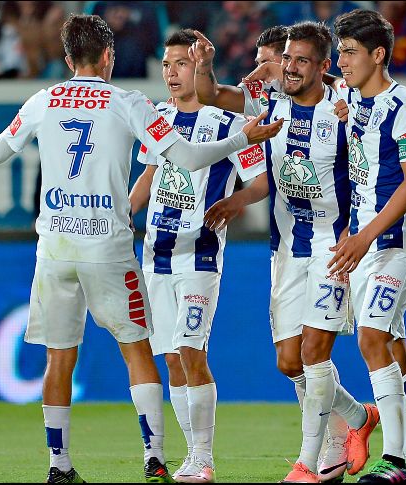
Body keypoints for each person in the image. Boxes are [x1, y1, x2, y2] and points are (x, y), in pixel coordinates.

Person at [0, 14, 282, 484]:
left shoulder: (44, 99)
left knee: (59, 356)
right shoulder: (128, 103)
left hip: (54, 247)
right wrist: (243, 138)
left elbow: (2, 147)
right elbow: (188, 157)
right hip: (107, 247)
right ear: (109, 57)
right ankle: (154, 458)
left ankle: (59, 465)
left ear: (68, 58)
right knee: (138, 351)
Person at [191, 22, 379, 483]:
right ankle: (358, 418)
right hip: (286, 251)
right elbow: (212, 94)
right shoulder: (268, 104)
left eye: (300, 60)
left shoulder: (345, 114)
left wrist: (361, 233)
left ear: (323, 66)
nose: (290, 68)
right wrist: (205, 65)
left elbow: (372, 171)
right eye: (287, 58)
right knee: (289, 361)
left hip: (332, 249)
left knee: (315, 354)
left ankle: (307, 464)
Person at [128, 29, 270, 484]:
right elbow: (149, 174)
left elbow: (262, 181)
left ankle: (202, 457)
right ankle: (191, 455)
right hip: (156, 257)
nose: (172, 73)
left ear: (198, 68)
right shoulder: (156, 120)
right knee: (170, 358)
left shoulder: (228, 123)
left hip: (201, 257)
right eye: (167, 64)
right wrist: (120, 214)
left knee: (192, 350)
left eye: (181, 64)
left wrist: (234, 204)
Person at [327, 9, 406, 483]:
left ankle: (398, 461)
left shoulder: (404, 106)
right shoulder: (349, 95)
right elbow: (360, 172)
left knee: (370, 335)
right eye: (339, 52)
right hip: (366, 236)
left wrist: (365, 235)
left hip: (400, 241)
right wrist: (351, 228)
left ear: (378, 54)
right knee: (389, 338)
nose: (340, 61)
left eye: (349, 52)